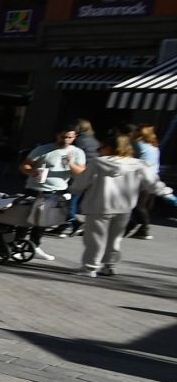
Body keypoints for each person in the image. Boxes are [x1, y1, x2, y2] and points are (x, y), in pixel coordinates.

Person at [69, 126, 177, 277]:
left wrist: (72, 190)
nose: (100, 149)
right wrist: (167, 194)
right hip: (124, 207)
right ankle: (109, 266)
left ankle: (90, 268)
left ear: (109, 148)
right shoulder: (138, 165)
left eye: (102, 147)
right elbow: (152, 183)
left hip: (99, 206)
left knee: (95, 239)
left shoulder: (98, 163)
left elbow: (82, 182)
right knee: (115, 239)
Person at [20, 127, 84, 253]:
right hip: (34, 188)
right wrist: (31, 172)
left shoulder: (78, 152)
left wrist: (71, 164)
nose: (66, 140)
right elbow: (24, 165)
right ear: (57, 135)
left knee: (43, 220)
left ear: (75, 137)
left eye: (69, 137)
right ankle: (18, 241)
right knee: (25, 218)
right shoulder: (43, 149)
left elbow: (81, 172)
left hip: (56, 191)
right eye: (63, 136)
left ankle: (34, 245)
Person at [127, 124, 162, 240]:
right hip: (153, 177)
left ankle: (144, 229)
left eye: (137, 131)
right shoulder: (154, 146)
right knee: (142, 205)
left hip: (142, 178)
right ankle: (134, 226)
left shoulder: (138, 145)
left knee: (138, 205)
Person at [67, 119, 102, 234]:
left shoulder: (79, 140)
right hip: (92, 173)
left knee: (70, 200)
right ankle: (71, 223)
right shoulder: (94, 140)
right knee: (79, 200)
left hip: (79, 173)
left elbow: (72, 155)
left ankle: (74, 222)